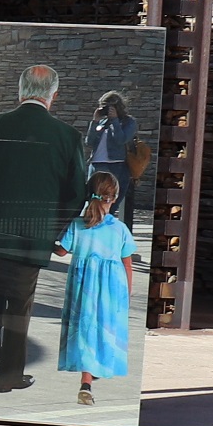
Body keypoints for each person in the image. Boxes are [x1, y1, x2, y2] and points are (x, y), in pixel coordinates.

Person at [0, 63, 88, 393]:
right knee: (19, 306)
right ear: (53, 96)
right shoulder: (66, 136)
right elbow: (75, 192)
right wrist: (56, 232)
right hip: (32, 236)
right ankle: (9, 375)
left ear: (20, 91)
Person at [55, 169, 139, 405]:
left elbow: (61, 250)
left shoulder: (78, 225)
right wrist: (128, 293)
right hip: (112, 287)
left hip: (83, 287)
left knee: (86, 328)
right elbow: (127, 263)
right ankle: (90, 377)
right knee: (104, 329)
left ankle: (87, 380)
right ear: (113, 198)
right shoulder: (120, 229)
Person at [86, 91, 139, 225]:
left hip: (116, 166)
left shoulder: (129, 122)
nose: (105, 110)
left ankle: (104, 231)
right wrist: (95, 121)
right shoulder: (102, 121)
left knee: (109, 204)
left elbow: (120, 140)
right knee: (91, 201)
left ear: (118, 107)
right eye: (103, 106)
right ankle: (91, 227)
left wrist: (115, 120)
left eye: (108, 107)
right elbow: (89, 142)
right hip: (96, 165)